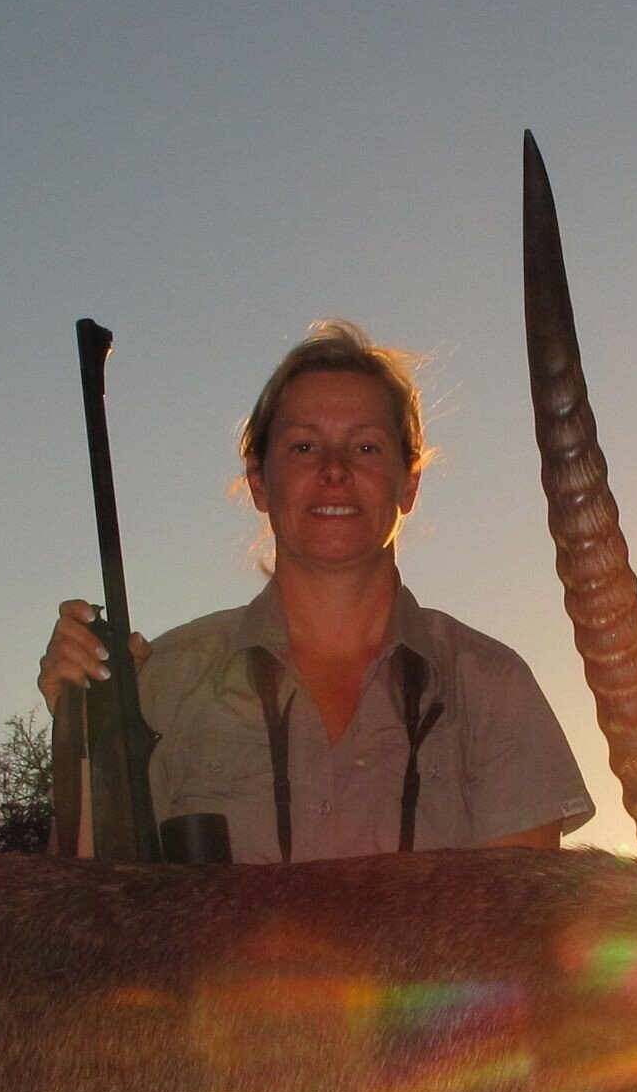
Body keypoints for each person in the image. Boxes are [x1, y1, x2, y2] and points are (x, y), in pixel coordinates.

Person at [40, 322, 595, 861]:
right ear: (259, 481)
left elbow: (517, 933)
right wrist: (84, 736)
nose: (334, 471)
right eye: (304, 447)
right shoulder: (163, 682)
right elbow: (84, 914)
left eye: (367, 448)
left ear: (409, 483)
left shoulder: (491, 685)